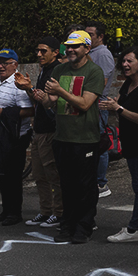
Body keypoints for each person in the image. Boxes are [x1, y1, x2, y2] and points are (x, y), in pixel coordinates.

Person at [40, 30, 105, 244]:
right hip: (62, 137)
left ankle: (84, 227)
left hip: (85, 138)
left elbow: (85, 104)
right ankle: (67, 225)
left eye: (75, 46)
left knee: (85, 186)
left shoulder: (94, 72)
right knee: (66, 185)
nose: (70, 50)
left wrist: (60, 91)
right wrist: (38, 94)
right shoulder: (60, 69)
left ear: (87, 49)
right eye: (68, 46)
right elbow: (49, 102)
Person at [100, 46, 138, 242]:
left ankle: (133, 229)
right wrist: (112, 104)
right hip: (129, 139)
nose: (125, 65)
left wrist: (117, 108)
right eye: (124, 61)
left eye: (130, 61)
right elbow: (120, 102)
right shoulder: (128, 83)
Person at [14, 37, 63, 228]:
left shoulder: (57, 70)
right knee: (39, 174)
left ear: (55, 52)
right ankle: (45, 211)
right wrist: (28, 89)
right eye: (37, 51)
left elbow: (50, 101)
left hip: (51, 129)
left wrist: (31, 88)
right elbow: (38, 99)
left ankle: (59, 213)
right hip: (39, 129)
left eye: (44, 51)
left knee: (53, 174)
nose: (39, 54)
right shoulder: (44, 70)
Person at [0, 48, 34, 226]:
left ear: (15, 65)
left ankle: (15, 212)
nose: (1, 66)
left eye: (5, 63)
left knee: (13, 176)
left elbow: (30, 111)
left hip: (15, 137)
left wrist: (4, 113)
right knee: (2, 174)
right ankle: (6, 209)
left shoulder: (18, 84)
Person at [84, 21, 117, 198]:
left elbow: (101, 82)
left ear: (100, 36)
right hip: (88, 102)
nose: (87, 38)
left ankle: (101, 183)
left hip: (98, 104)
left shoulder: (103, 54)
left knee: (100, 143)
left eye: (91, 34)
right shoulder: (90, 52)